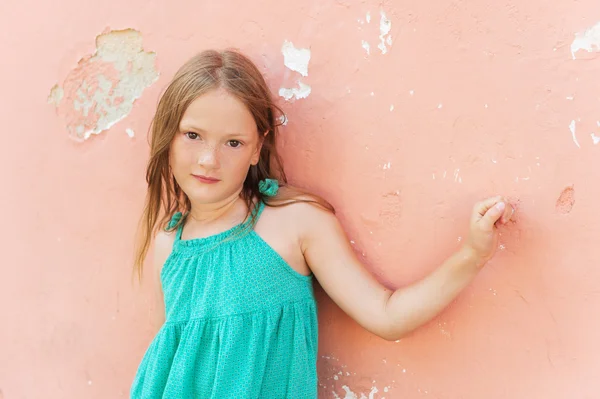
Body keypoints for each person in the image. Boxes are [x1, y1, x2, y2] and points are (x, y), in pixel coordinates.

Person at [130, 49, 515, 399]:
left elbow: (387, 316)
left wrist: (472, 255)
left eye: (232, 142)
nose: (209, 160)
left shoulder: (294, 223)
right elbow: (166, 359)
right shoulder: (168, 243)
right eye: (193, 136)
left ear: (257, 148)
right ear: (170, 137)